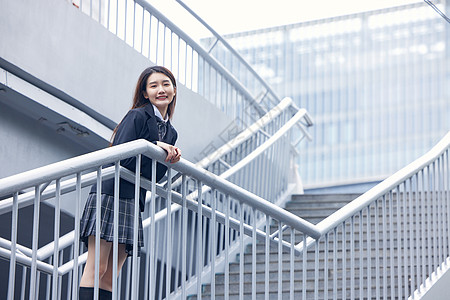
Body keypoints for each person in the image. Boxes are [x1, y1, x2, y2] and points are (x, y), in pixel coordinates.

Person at [78, 66, 181, 300]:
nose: (161, 90)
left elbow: (155, 177)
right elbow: (121, 156)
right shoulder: (137, 115)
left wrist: (168, 156)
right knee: (97, 268)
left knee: (111, 273)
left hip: (134, 199)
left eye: (166, 84)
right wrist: (155, 145)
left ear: (174, 90)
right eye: (153, 86)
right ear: (145, 93)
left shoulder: (171, 132)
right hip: (110, 193)